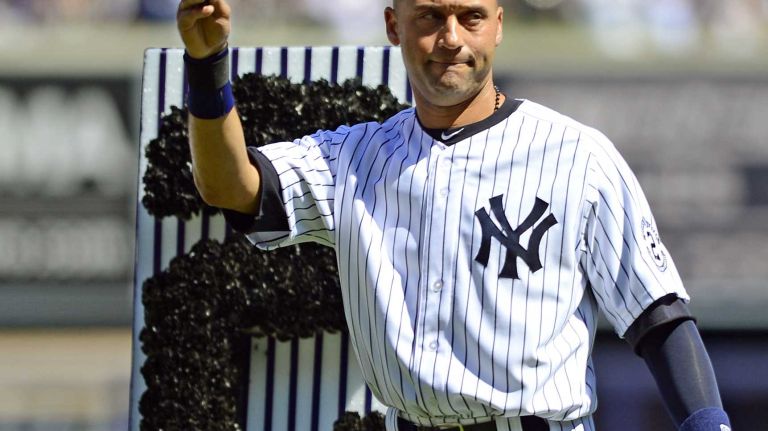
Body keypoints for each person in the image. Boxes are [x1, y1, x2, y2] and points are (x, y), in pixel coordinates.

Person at [175, 1, 731, 430]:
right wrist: (207, 65)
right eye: (431, 17)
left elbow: (657, 318)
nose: (451, 39)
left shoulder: (577, 154)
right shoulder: (351, 156)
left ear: (498, 24)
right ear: (393, 25)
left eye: (470, 17)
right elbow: (229, 185)